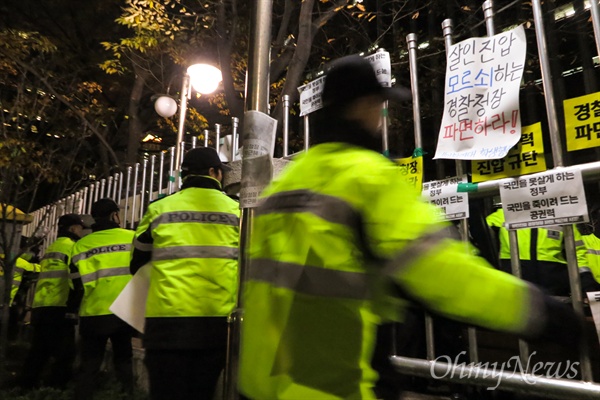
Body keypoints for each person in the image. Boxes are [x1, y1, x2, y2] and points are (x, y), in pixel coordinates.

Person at [237, 55, 584, 400]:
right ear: (362, 106)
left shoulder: (285, 183)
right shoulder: (366, 176)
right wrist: (540, 312)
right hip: (330, 385)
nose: (381, 117)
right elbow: (441, 273)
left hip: (259, 383)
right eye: (379, 106)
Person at [130, 147, 240, 400]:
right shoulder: (237, 211)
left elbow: (137, 263)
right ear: (214, 172)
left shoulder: (159, 209)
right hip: (216, 321)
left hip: (165, 323)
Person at [69, 198, 134, 399]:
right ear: (114, 215)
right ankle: (128, 395)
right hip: (123, 311)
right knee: (124, 362)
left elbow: (74, 283)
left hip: (93, 313)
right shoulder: (132, 238)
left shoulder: (81, 245)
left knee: (89, 365)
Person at [19, 214, 85, 389]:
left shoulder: (52, 248)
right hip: (60, 305)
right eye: (80, 227)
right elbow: (76, 277)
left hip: (40, 306)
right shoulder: (74, 248)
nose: (82, 231)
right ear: (72, 229)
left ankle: (26, 386)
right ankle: (56, 389)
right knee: (65, 354)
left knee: (39, 351)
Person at [486, 207, 598, 296]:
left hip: (556, 290)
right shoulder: (503, 214)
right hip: (515, 287)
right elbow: (478, 233)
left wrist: (585, 279)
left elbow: (576, 251)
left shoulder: (562, 216)